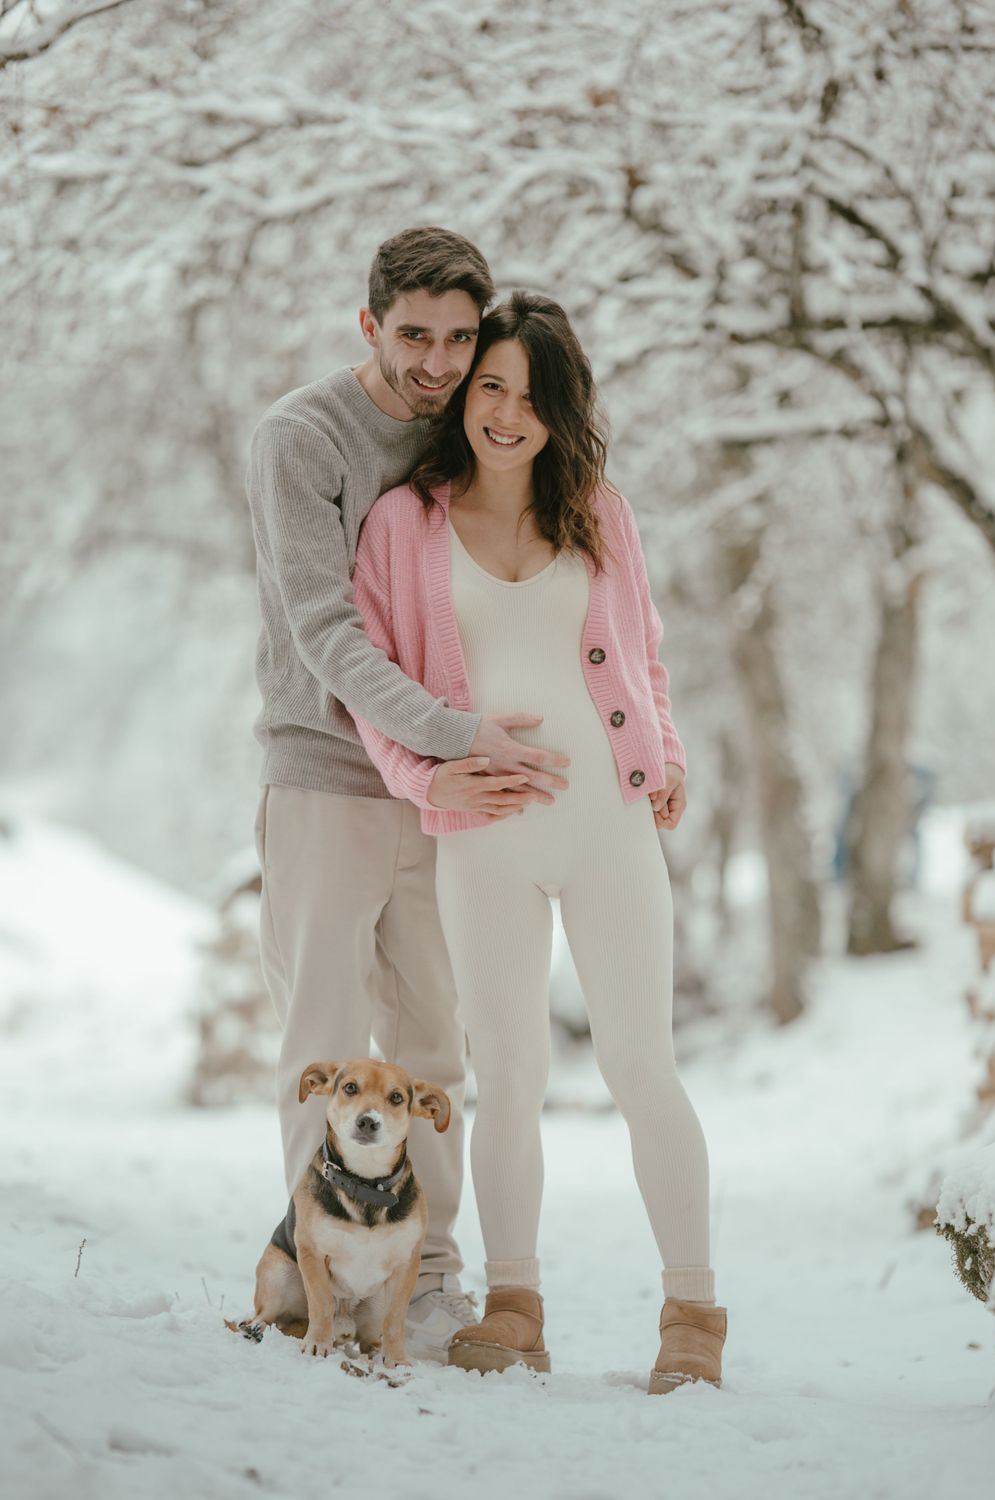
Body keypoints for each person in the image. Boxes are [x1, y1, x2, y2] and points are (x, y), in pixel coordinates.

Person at [348, 292, 727, 1391]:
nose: (507, 413)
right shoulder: (403, 524)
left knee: (638, 1065)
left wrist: (666, 758)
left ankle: (692, 1310)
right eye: (491, 388)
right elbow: (375, 690)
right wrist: (428, 774)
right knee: (503, 1071)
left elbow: (641, 654)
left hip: (608, 825)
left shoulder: (600, 513)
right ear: (465, 395)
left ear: (563, 410)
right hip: (483, 836)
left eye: (531, 394)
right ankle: (513, 1302)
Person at [245, 229, 572, 1362]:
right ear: (368, 325)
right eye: (414, 336)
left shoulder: (467, 426)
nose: (437, 362)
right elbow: (324, 626)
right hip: (327, 779)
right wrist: (444, 734)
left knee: (436, 1040)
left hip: (446, 792)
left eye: (456, 338)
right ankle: (316, 1273)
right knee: (323, 1043)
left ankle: (428, 1278)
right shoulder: (302, 437)